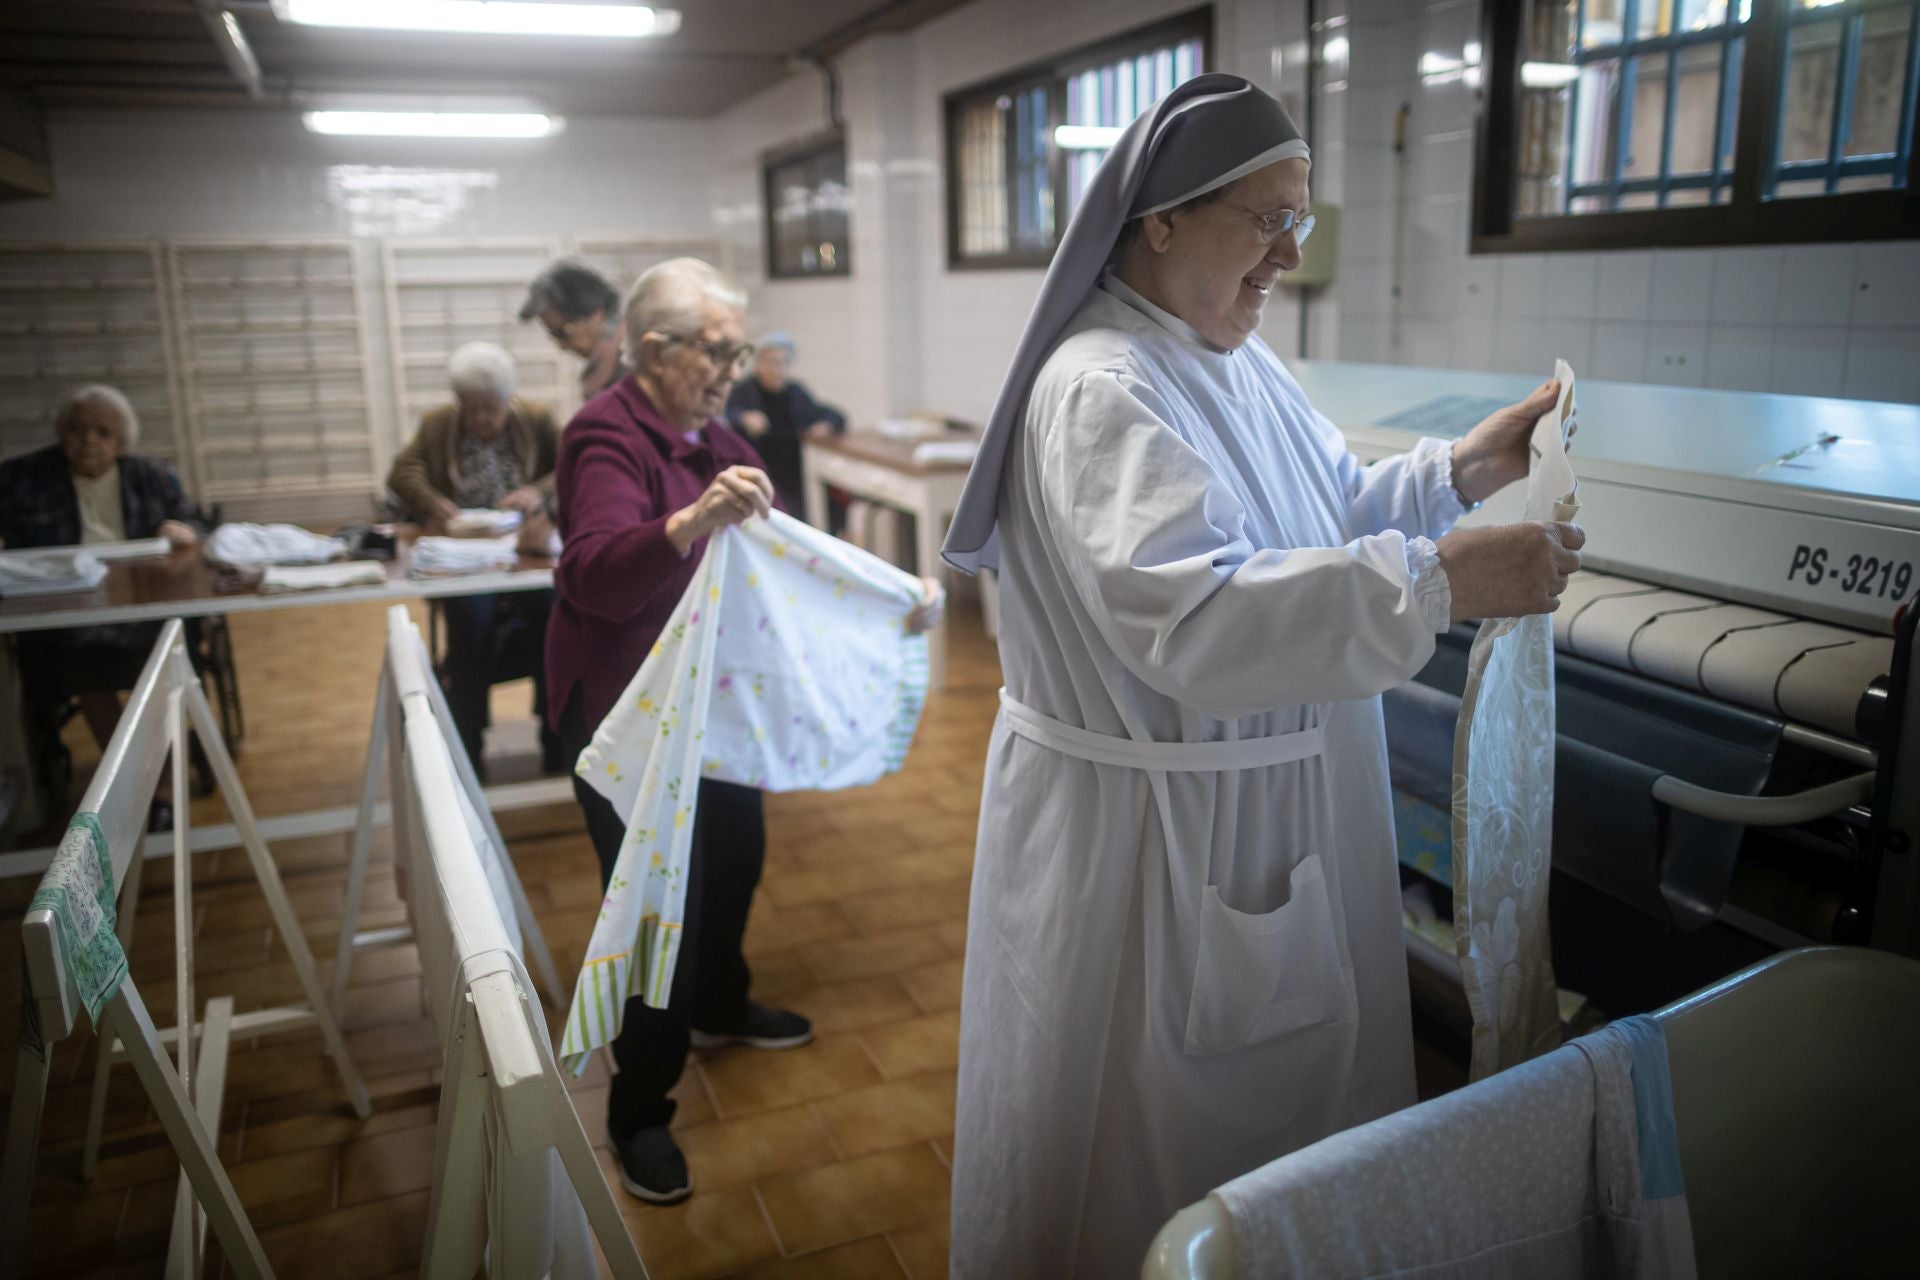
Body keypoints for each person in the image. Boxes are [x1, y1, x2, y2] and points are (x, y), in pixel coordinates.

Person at [938, 75, 1585, 1277]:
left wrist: (1458, 470)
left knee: (1281, 1148)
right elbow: (1196, 618)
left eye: (1303, 221)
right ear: (1163, 218)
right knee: (1150, 1154)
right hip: (1159, 837)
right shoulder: (1102, 387)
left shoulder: (1230, 358)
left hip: (1260, 805)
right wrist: (1440, 582)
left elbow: (1324, 510)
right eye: (1269, 218)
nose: (1290, 253)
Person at [545, 257, 943, 1206]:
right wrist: (686, 520)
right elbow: (592, 576)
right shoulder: (605, 436)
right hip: (625, 713)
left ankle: (720, 1005)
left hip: (707, 700)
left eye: (736, 350)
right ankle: (639, 1109)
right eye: (718, 351)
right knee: (657, 909)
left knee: (737, 853)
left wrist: (893, 599)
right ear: (656, 350)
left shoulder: (714, 432)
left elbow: (789, 556)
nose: (733, 367)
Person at [0, 385, 202, 820]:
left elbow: (194, 523)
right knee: (83, 662)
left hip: (141, 601)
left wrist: (182, 530)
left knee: (168, 658)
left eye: (101, 432)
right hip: (67, 609)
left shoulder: (152, 478)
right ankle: (136, 778)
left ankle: (164, 788)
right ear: (61, 435)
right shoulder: (24, 480)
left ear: (121, 442)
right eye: (76, 429)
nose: (88, 440)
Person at [387, 341, 564, 774]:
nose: (482, 420)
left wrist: (537, 492)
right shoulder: (437, 425)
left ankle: (556, 738)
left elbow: (570, 467)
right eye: (472, 409)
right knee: (468, 619)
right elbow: (402, 472)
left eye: (492, 409)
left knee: (554, 615)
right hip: (463, 557)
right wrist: (431, 502)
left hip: (525, 551)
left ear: (510, 401)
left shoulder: (537, 420)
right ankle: (469, 742)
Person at [723, 331, 845, 515]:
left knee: (832, 506)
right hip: (759, 470)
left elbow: (834, 415)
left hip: (795, 471)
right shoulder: (744, 391)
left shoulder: (795, 392)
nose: (777, 369)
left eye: (783, 362)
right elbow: (723, 416)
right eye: (771, 362)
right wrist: (743, 418)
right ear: (759, 365)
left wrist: (826, 424)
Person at [519, 258, 626, 401]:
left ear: (595, 314)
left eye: (562, 333)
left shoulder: (638, 366)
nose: (562, 346)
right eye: (553, 335)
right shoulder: (601, 371)